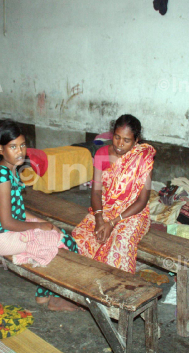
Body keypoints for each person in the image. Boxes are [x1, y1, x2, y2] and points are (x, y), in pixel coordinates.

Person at [0, 120, 80, 311]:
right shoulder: (2, 176)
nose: (20, 151)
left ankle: (46, 293)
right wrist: (39, 227)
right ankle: (48, 296)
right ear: (0, 150)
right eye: (13, 147)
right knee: (61, 243)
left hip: (2, 228)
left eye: (22, 145)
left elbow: (17, 211)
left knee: (59, 233)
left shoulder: (9, 169)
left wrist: (43, 222)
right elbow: (7, 221)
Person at [72, 114, 156, 274]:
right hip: (104, 209)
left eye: (126, 140)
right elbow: (96, 192)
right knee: (80, 238)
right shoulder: (102, 154)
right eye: (117, 137)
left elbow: (142, 201)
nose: (120, 144)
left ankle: (112, 291)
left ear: (136, 140)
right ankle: (82, 285)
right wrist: (99, 219)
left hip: (132, 214)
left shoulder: (142, 159)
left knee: (118, 245)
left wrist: (112, 223)